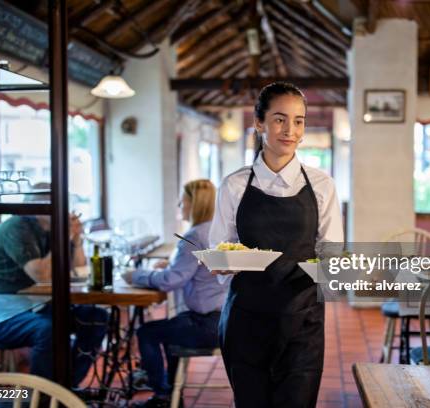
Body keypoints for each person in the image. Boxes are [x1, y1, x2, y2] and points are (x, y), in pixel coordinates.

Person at [209, 82, 343, 407]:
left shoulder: (323, 186)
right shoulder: (235, 185)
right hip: (246, 320)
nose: (291, 130)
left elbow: (333, 254)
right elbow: (218, 254)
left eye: (299, 121)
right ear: (259, 123)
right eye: (280, 119)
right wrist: (225, 263)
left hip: (303, 321)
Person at [122, 179, 228, 408]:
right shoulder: (220, 232)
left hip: (207, 324)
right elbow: (191, 270)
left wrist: (136, 275)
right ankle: (171, 395)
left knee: (146, 333)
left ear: (194, 203)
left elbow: (172, 281)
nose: (180, 205)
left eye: (183, 200)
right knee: (172, 327)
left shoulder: (193, 236)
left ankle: (161, 396)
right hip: (226, 321)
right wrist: (169, 266)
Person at [0, 210, 108, 386]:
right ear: (40, 208)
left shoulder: (53, 229)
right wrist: (64, 235)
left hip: (34, 306)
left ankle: (66, 387)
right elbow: (43, 276)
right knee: (48, 329)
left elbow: (79, 268)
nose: (66, 210)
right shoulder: (17, 227)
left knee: (96, 317)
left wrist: (76, 240)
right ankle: (40, 397)